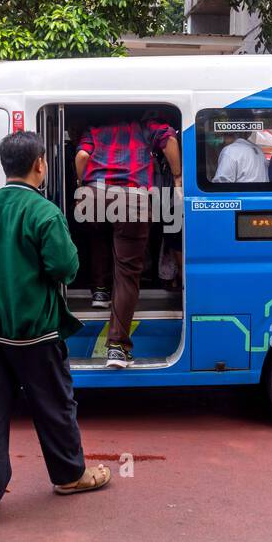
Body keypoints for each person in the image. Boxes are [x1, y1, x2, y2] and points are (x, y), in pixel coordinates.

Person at [0, 130, 111, 524]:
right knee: (54, 407)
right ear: (40, 165)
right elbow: (64, 268)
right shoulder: (45, 212)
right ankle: (69, 476)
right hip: (35, 332)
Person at [75, 113, 181, 368]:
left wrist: (81, 182)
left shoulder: (95, 128)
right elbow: (168, 140)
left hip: (94, 194)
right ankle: (117, 348)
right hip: (132, 198)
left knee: (98, 236)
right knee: (127, 272)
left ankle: (99, 291)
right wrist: (177, 176)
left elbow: (81, 156)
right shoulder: (147, 127)